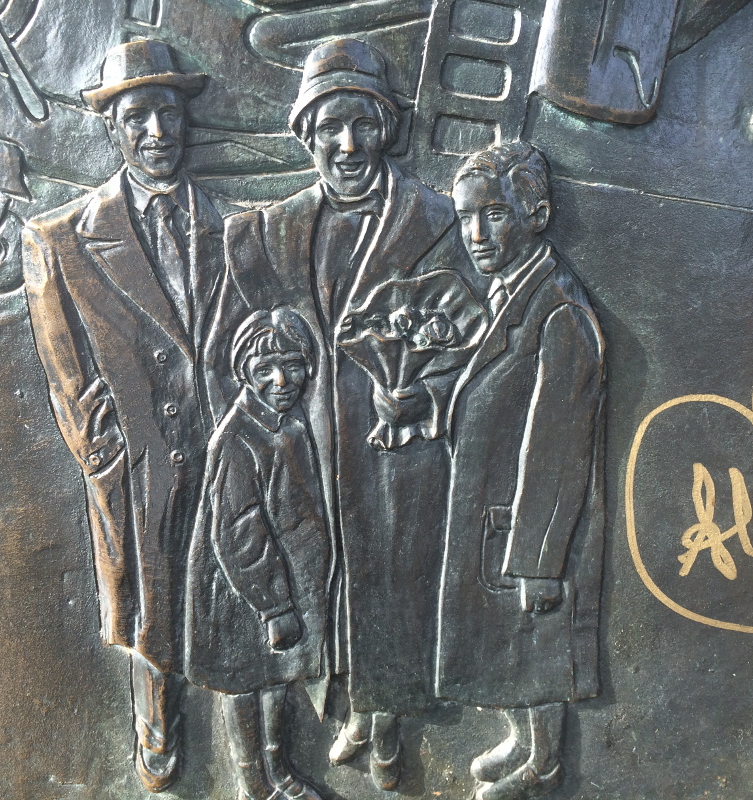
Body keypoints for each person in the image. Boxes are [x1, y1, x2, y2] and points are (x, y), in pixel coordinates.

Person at [222, 37, 472, 791]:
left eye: (364, 124)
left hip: (402, 452)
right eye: (330, 126)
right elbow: (241, 346)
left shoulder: (439, 220)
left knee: (396, 585)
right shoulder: (261, 235)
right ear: (306, 134)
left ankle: (389, 723)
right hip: (308, 450)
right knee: (319, 581)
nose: (348, 144)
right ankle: (344, 706)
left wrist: (426, 393)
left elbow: (474, 340)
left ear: (388, 128)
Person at [22, 40, 233, 792]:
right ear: (112, 127)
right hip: (140, 460)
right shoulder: (59, 240)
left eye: (168, 113)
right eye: (137, 116)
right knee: (151, 601)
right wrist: (107, 457)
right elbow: (66, 377)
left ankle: (253, 744)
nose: (156, 131)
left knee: (236, 585)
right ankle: (155, 724)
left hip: (227, 444)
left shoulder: (238, 225)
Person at [437, 142, 606, 800]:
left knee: (537, 641)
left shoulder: (557, 309)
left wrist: (539, 561)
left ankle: (545, 764)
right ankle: (522, 740)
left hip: (530, 526)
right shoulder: (512, 293)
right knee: (509, 642)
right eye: (465, 217)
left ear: (536, 214)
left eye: (494, 214)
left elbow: (559, 445)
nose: (476, 234)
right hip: (497, 513)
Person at [185, 308, 330, 800]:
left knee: (276, 679)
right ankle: (252, 783)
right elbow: (238, 532)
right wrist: (275, 606)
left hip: (282, 584)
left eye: (292, 365)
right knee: (244, 685)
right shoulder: (237, 438)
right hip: (245, 594)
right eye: (265, 369)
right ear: (244, 373)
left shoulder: (288, 425)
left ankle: (278, 770)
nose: (281, 380)